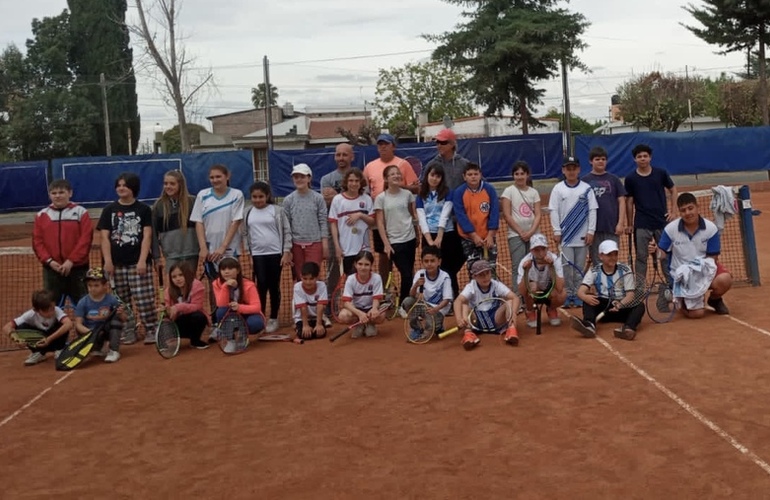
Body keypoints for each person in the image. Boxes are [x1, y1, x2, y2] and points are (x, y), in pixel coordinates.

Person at [97, 172, 157, 344]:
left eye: (125, 185)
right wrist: (108, 261)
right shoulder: (109, 210)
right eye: (119, 185)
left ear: (133, 188)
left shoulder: (144, 209)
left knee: (144, 299)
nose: (121, 188)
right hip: (115, 265)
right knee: (121, 302)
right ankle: (128, 330)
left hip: (137, 264)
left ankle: (151, 329)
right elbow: (104, 237)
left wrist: (142, 260)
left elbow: (147, 236)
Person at [652, 192, 732, 318]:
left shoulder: (711, 228)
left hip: (704, 269)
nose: (688, 213)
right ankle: (679, 300)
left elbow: (713, 258)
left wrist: (698, 278)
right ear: (679, 212)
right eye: (683, 210)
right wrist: (655, 251)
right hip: (682, 276)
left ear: (697, 207)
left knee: (725, 279)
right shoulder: (670, 229)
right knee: (696, 314)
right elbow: (662, 254)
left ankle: (714, 300)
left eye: (690, 208)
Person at [363, 134, 420, 276]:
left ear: (393, 146)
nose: (382, 147)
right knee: (383, 255)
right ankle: (385, 290)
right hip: (380, 218)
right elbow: (365, 191)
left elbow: (416, 189)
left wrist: (398, 186)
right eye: (380, 144)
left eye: (386, 144)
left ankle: (409, 289)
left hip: (401, 219)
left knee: (407, 259)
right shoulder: (370, 166)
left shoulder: (403, 164)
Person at [32, 179, 93, 306]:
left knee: (83, 305)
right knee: (50, 306)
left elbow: (85, 240)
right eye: (54, 193)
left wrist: (71, 261)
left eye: (61, 192)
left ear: (70, 193)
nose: (57, 196)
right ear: (49, 195)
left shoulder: (81, 212)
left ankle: (84, 326)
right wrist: (49, 261)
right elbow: (37, 241)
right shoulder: (42, 215)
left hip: (77, 269)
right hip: (52, 270)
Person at [243, 181, 292, 334]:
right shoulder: (247, 212)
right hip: (257, 254)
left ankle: (274, 318)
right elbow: (245, 233)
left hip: (275, 253)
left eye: (261, 197)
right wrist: (249, 254)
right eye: (254, 197)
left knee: (273, 285)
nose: (257, 200)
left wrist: (286, 251)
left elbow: (286, 231)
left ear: (267, 196)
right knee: (260, 285)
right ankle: (260, 316)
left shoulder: (277, 210)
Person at [549, 156, 598, 307]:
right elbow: (553, 210)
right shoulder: (558, 189)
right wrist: (557, 231)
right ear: (563, 170)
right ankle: (568, 294)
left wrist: (591, 231)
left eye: (574, 168)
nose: (571, 171)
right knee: (566, 268)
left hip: (583, 237)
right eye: (568, 169)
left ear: (579, 170)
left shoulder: (586, 188)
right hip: (565, 237)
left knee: (579, 268)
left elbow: (592, 211)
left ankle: (578, 294)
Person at [572, 240, 644, 341]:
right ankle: (589, 325)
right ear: (601, 256)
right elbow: (580, 292)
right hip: (603, 308)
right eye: (609, 255)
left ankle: (628, 328)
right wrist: (585, 297)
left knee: (639, 306)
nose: (613, 257)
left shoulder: (625, 269)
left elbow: (630, 295)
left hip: (620, 307)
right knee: (588, 300)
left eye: (615, 254)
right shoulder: (594, 271)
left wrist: (620, 304)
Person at [624, 144, 677, 279]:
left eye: (645, 156)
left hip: (661, 222)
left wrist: (673, 211)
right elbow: (629, 202)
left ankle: (671, 287)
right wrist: (630, 224)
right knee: (641, 258)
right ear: (635, 159)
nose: (643, 159)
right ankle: (640, 292)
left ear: (650, 158)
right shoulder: (630, 179)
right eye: (639, 156)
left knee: (665, 255)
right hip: (641, 224)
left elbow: (673, 189)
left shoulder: (660, 173)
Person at [374, 165, 417, 315]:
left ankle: (406, 303)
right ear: (386, 178)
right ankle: (402, 306)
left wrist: (417, 234)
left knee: (409, 273)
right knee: (405, 274)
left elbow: (413, 216)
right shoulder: (381, 198)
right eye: (392, 174)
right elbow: (379, 223)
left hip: (410, 238)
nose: (396, 176)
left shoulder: (407, 195)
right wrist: (386, 243)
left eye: (398, 174)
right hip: (394, 242)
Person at [415, 163, 463, 298]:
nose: (434, 179)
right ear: (427, 176)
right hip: (428, 235)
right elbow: (422, 218)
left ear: (441, 178)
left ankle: (452, 296)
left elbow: (445, 215)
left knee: (448, 268)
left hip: (447, 234)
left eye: (438, 176)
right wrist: (429, 239)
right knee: (431, 268)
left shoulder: (448, 193)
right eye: (432, 175)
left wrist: (439, 237)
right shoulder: (420, 196)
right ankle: (432, 297)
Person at [454, 259, 520, 350]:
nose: (485, 277)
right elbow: (458, 301)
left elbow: (515, 297)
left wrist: (513, 314)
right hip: (476, 321)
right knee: (464, 304)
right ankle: (468, 333)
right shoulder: (471, 286)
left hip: (495, 319)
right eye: (481, 275)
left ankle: (511, 330)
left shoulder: (496, 285)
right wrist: (459, 319)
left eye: (487, 273)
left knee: (509, 302)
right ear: (474, 276)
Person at [283, 163, 330, 287]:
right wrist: (288, 248)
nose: (299, 179)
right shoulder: (288, 200)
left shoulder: (318, 198)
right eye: (296, 177)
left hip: (315, 244)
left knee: (314, 275)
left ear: (309, 178)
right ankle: (302, 303)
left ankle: (316, 304)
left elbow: (323, 221)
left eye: (302, 176)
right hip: (296, 245)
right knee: (300, 276)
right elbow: (286, 226)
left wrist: (324, 244)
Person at [191, 164, 245, 269]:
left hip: (230, 248)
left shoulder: (237, 195)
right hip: (209, 248)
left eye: (218, 176)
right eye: (212, 177)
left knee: (230, 282)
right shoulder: (202, 195)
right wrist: (203, 247)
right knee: (213, 283)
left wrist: (223, 247)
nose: (215, 180)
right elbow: (198, 222)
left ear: (227, 176)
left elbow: (236, 222)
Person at [321, 143, 354, 312]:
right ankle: (329, 305)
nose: (341, 158)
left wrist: (338, 196)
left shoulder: (357, 176)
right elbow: (327, 202)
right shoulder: (326, 179)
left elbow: (361, 198)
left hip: (353, 231)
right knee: (333, 267)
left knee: (355, 268)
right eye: (338, 155)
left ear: (351, 157)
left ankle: (355, 303)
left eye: (344, 155)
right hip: (332, 229)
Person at [501, 161, 542, 294]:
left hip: (534, 235)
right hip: (515, 236)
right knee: (518, 266)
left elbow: (538, 214)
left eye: (522, 174)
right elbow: (507, 215)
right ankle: (518, 297)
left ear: (527, 175)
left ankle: (532, 294)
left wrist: (530, 232)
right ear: (513, 175)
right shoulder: (508, 191)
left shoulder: (534, 192)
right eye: (516, 174)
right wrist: (521, 232)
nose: (519, 176)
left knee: (534, 265)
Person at [582, 147, 627, 266]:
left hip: (611, 227)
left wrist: (621, 223)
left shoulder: (614, 179)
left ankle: (611, 283)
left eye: (603, 159)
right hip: (593, 228)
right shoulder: (585, 181)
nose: (601, 161)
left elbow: (621, 201)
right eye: (597, 159)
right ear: (591, 161)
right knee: (597, 259)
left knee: (611, 257)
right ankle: (599, 284)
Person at [3, 290, 73, 366]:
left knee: (63, 325)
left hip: (53, 341)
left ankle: (59, 350)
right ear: (36, 310)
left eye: (52, 308)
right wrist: (16, 339)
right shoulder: (30, 315)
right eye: (47, 311)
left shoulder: (57, 311)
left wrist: (49, 339)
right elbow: (6, 327)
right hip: (39, 342)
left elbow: (69, 324)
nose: (51, 312)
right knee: (21, 327)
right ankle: (38, 353)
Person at [453, 162, 500, 273]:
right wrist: (473, 235)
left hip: (488, 238)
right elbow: (460, 215)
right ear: (464, 177)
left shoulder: (489, 190)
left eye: (475, 174)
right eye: (469, 174)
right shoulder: (459, 193)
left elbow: (494, 212)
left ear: (480, 175)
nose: (473, 176)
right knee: (474, 271)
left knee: (490, 270)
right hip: (469, 239)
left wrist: (490, 235)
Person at [400, 246, 453, 341]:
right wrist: (416, 285)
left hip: (438, 309)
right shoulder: (419, 274)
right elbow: (411, 295)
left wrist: (435, 309)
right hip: (424, 306)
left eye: (432, 261)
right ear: (422, 262)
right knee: (407, 301)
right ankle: (416, 328)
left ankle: (438, 326)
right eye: (426, 261)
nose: (429, 264)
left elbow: (447, 300)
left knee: (432, 330)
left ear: (439, 262)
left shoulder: (445, 277)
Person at [73, 267, 126, 363]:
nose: (92, 288)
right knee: (79, 330)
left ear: (105, 285)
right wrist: (91, 333)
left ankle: (114, 350)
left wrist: (121, 314)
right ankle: (97, 348)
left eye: (96, 285)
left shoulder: (111, 300)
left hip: (104, 330)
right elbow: (78, 324)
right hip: (90, 333)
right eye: (90, 285)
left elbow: (123, 319)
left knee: (116, 321)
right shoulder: (82, 302)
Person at [328, 168, 374, 276]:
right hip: (346, 249)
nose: (354, 184)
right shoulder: (337, 200)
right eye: (351, 181)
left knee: (364, 277)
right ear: (346, 182)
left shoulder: (366, 199)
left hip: (363, 249)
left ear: (361, 183)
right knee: (351, 279)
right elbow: (333, 225)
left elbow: (372, 222)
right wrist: (337, 247)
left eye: (357, 181)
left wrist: (360, 215)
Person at [152, 170, 199, 273]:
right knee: (174, 286)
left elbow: (201, 227)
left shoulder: (193, 202)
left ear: (180, 184)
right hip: (171, 256)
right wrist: (156, 257)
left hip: (192, 253)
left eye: (172, 184)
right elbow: (153, 235)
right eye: (165, 183)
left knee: (190, 286)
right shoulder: (158, 206)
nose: (168, 186)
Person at [517, 233, 566, 329]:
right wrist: (526, 270)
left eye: (543, 249)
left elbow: (560, 288)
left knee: (562, 294)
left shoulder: (555, 260)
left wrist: (551, 267)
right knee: (533, 287)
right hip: (533, 290)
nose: (540, 253)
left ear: (547, 249)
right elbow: (522, 292)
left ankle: (551, 309)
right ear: (531, 250)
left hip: (549, 289)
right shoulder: (524, 262)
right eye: (536, 250)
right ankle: (530, 311)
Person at [210, 257, 265, 342]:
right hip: (231, 314)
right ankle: (230, 339)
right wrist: (225, 286)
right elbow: (220, 304)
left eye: (230, 268)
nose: (226, 272)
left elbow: (257, 307)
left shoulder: (249, 285)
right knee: (220, 311)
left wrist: (239, 307)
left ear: (238, 270)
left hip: (247, 314)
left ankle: (243, 334)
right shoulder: (216, 284)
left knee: (256, 323)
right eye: (223, 269)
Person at [338, 250, 386, 338]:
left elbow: (376, 298)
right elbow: (346, 303)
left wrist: (374, 309)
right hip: (356, 310)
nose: (363, 267)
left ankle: (370, 324)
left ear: (371, 266)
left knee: (381, 315)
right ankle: (359, 324)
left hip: (370, 309)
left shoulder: (376, 278)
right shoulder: (351, 279)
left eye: (366, 264)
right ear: (355, 265)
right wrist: (360, 314)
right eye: (360, 264)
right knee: (343, 316)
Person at [164, 261, 210, 349]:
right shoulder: (168, 291)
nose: (178, 279)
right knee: (165, 326)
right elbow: (168, 314)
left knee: (199, 316)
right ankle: (171, 338)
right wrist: (166, 311)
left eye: (181, 275)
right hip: (178, 323)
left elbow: (197, 306)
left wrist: (178, 307)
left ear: (187, 274)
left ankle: (195, 340)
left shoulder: (196, 285)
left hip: (193, 320)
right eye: (174, 277)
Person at [291, 262, 328, 340]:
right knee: (305, 336)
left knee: (320, 334)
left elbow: (320, 305)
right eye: (305, 279)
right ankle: (298, 326)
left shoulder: (322, 286)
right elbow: (303, 307)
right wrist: (305, 325)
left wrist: (319, 324)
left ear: (317, 277)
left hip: (316, 318)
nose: (308, 282)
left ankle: (316, 325)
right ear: (300, 276)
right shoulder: (297, 287)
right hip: (302, 318)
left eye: (311, 279)